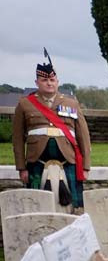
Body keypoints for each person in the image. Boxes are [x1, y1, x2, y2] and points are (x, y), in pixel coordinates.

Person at [12, 50, 91, 208]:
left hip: (68, 162)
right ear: (37, 82)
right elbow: (17, 139)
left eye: (52, 79)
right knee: (35, 205)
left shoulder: (71, 103)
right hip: (36, 162)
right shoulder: (24, 104)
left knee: (75, 207)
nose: (49, 83)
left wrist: (85, 166)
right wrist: (21, 168)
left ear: (58, 82)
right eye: (44, 80)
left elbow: (83, 136)